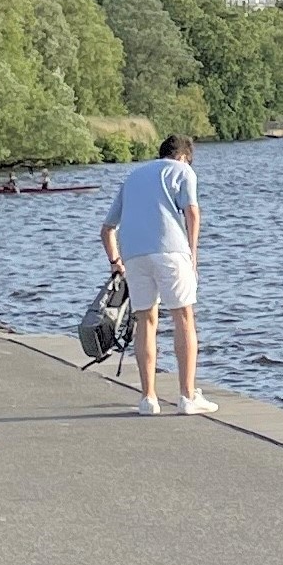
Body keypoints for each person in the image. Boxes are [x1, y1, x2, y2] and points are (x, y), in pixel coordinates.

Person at [99, 134, 217, 416]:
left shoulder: (133, 176)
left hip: (134, 254)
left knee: (146, 321)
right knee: (183, 317)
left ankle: (148, 398)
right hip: (171, 252)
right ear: (184, 156)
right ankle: (187, 396)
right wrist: (193, 255)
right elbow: (192, 212)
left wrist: (116, 261)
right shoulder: (183, 171)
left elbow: (107, 229)